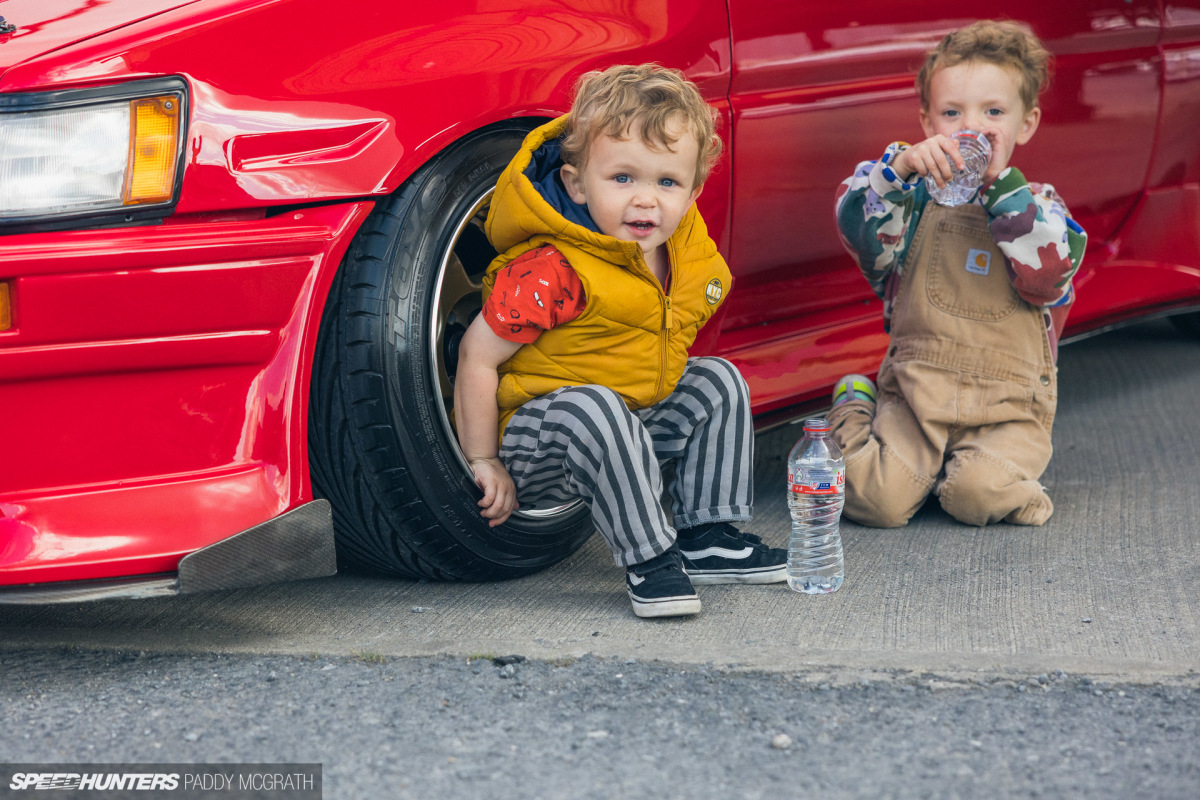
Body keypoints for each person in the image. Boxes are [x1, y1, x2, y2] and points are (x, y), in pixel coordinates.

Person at [454, 64, 786, 618]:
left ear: (693, 190)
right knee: (596, 405)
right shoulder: (553, 269)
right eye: (623, 179)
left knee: (717, 380)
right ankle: (650, 558)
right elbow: (476, 356)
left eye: (666, 182)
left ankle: (703, 535)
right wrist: (484, 459)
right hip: (541, 443)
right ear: (577, 184)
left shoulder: (681, 254)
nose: (646, 201)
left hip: (627, 425)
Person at [831, 20, 1087, 528]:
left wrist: (1001, 190)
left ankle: (973, 475)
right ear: (927, 123)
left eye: (993, 112)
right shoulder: (908, 202)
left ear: (1027, 123)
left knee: (978, 495)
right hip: (918, 391)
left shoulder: (1041, 209)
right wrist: (899, 171)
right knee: (875, 502)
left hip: (1008, 405)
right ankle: (855, 405)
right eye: (952, 113)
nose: (973, 128)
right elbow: (855, 229)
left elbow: (1048, 277)